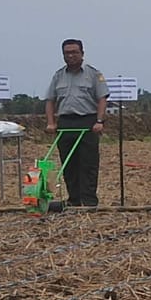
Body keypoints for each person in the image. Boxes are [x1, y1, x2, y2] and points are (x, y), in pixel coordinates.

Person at [43, 39, 109, 207]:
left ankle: (89, 201)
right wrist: (51, 123)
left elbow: (102, 98)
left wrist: (99, 121)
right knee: (69, 163)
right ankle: (74, 200)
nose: (71, 56)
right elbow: (50, 100)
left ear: (82, 54)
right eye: (67, 53)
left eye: (74, 52)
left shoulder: (93, 74)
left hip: (88, 122)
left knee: (88, 163)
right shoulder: (58, 75)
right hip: (65, 123)